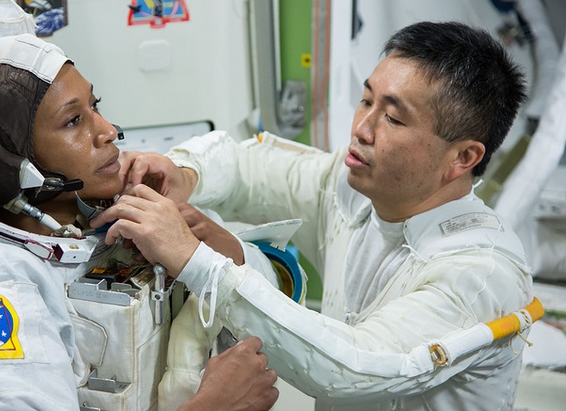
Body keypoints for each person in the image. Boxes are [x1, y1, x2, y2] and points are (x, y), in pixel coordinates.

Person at [92, 21, 536, 410]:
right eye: (366, 101)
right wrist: (185, 173)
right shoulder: (358, 192)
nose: (362, 128)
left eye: (394, 119)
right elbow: (251, 166)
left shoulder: (479, 273)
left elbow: (355, 368)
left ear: (462, 158)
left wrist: (198, 262)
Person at [0, 33, 280, 410]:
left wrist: (208, 244)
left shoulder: (122, 208)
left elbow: (277, 297)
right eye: (73, 121)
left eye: (94, 106)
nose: (110, 131)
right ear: (8, 165)